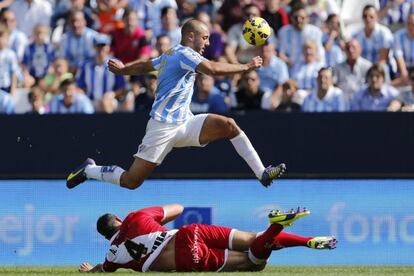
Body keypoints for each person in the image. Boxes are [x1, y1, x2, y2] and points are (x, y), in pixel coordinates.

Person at [66, 19, 286, 190]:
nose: (207, 44)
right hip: (162, 127)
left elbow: (147, 65)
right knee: (131, 181)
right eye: (205, 38)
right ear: (191, 36)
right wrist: (246, 67)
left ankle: (262, 173)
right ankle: (90, 170)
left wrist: (124, 69)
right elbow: (213, 69)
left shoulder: (171, 53)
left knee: (229, 125)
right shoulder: (184, 54)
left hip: (185, 122)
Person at [78, 204, 337, 273]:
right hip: (189, 232)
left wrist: (90, 270)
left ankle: (274, 229)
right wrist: (155, 224)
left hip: (184, 257)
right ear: (120, 221)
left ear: (105, 236)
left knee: (253, 263)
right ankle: (301, 238)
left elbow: (103, 270)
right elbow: (178, 208)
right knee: (252, 239)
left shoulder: (112, 255)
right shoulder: (136, 217)